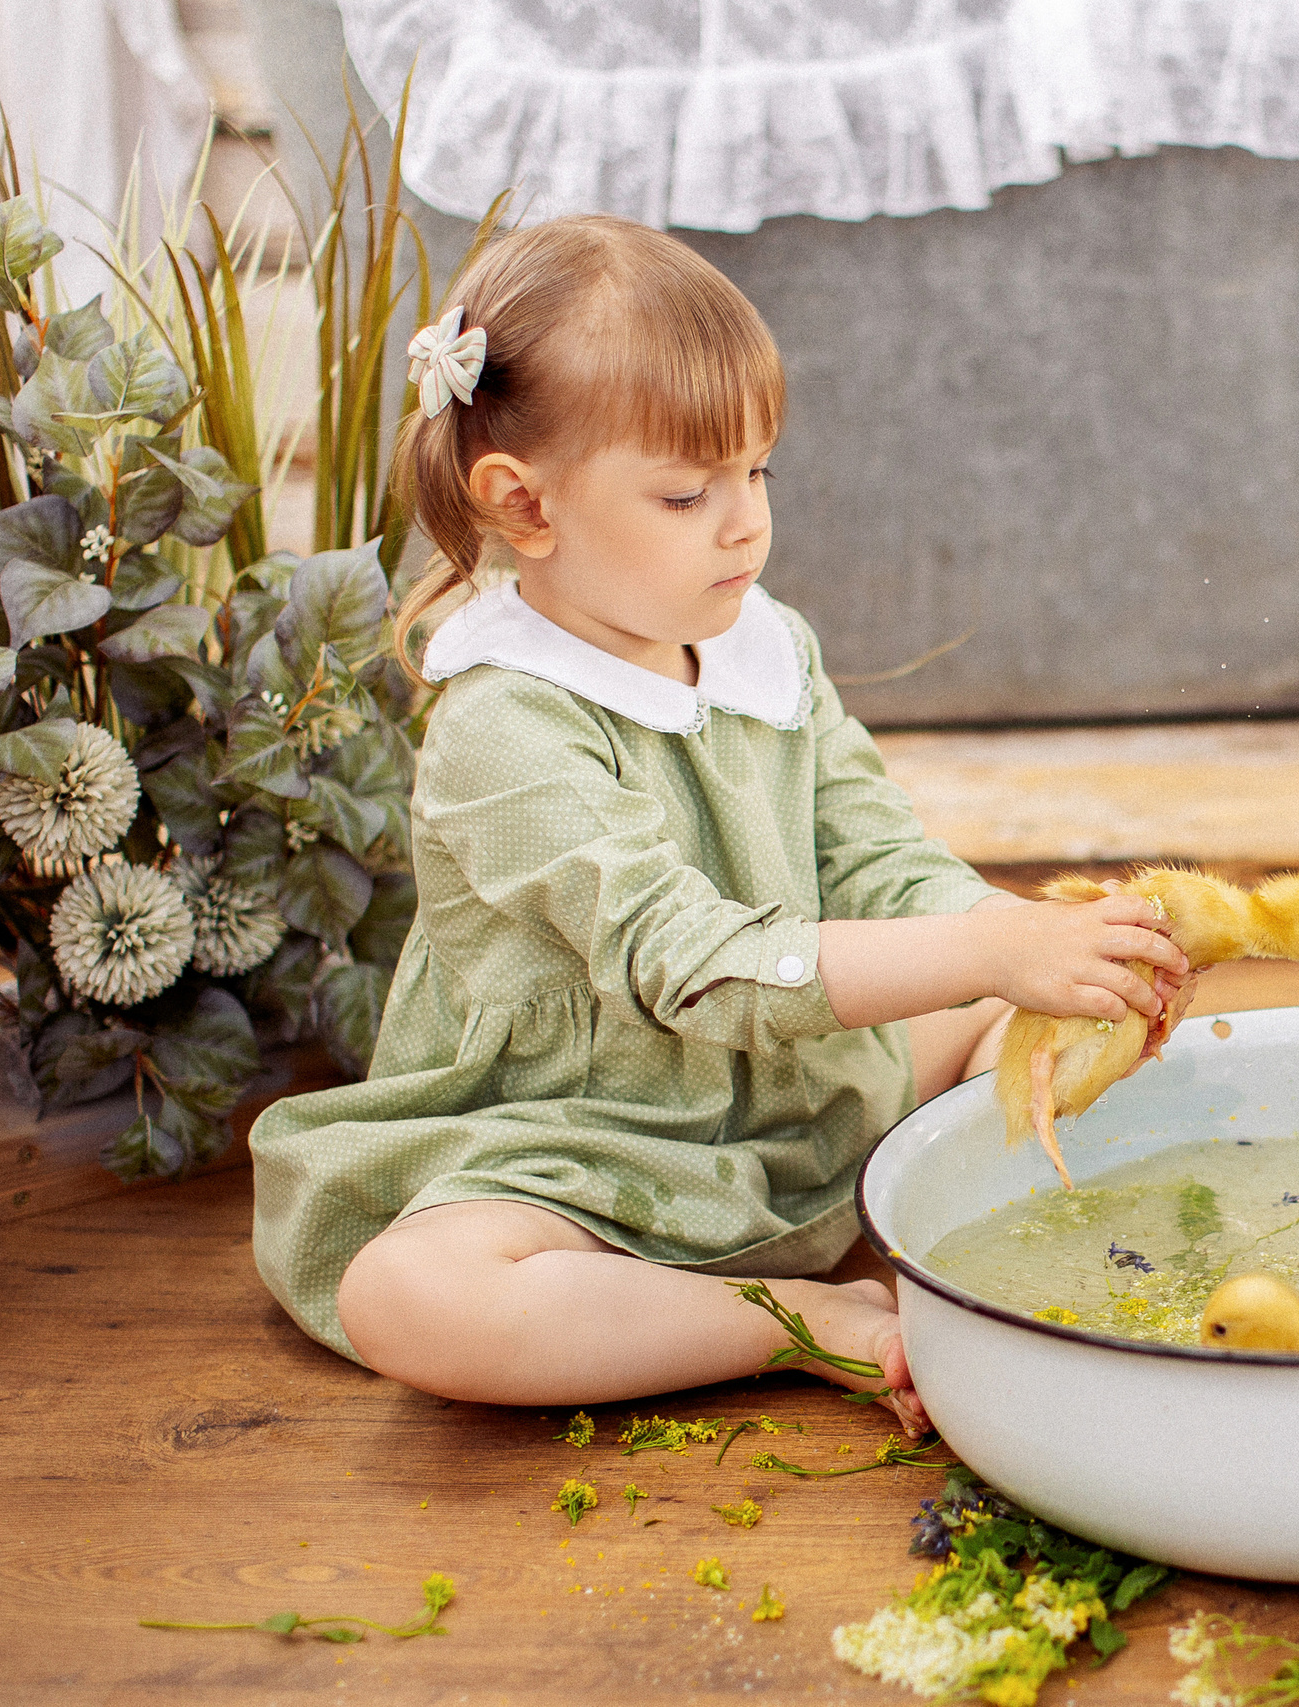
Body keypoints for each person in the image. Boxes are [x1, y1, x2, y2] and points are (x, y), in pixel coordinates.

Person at [249, 215, 1187, 1431]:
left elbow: (873, 856)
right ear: (521, 504)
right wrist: (986, 952)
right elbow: (689, 972)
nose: (745, 521)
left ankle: (1024, 1231)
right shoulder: (503, 728)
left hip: (796, 1082)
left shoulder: (764, 642)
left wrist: (1017, 940)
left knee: (1035, 1010)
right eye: (688, 492)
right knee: (409, 1296)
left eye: (759, 473)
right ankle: (788, 1320)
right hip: (593, 1127)